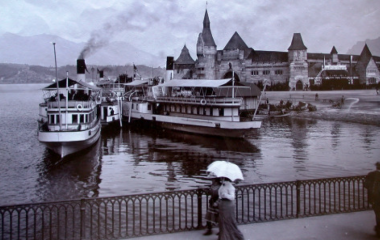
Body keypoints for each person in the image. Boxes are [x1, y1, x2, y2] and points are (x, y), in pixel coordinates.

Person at [364, 162, 380, 237]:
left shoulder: (371, 174)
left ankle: (378, 230)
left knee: (378, 214)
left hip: (375, 198)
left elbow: (366, 185)